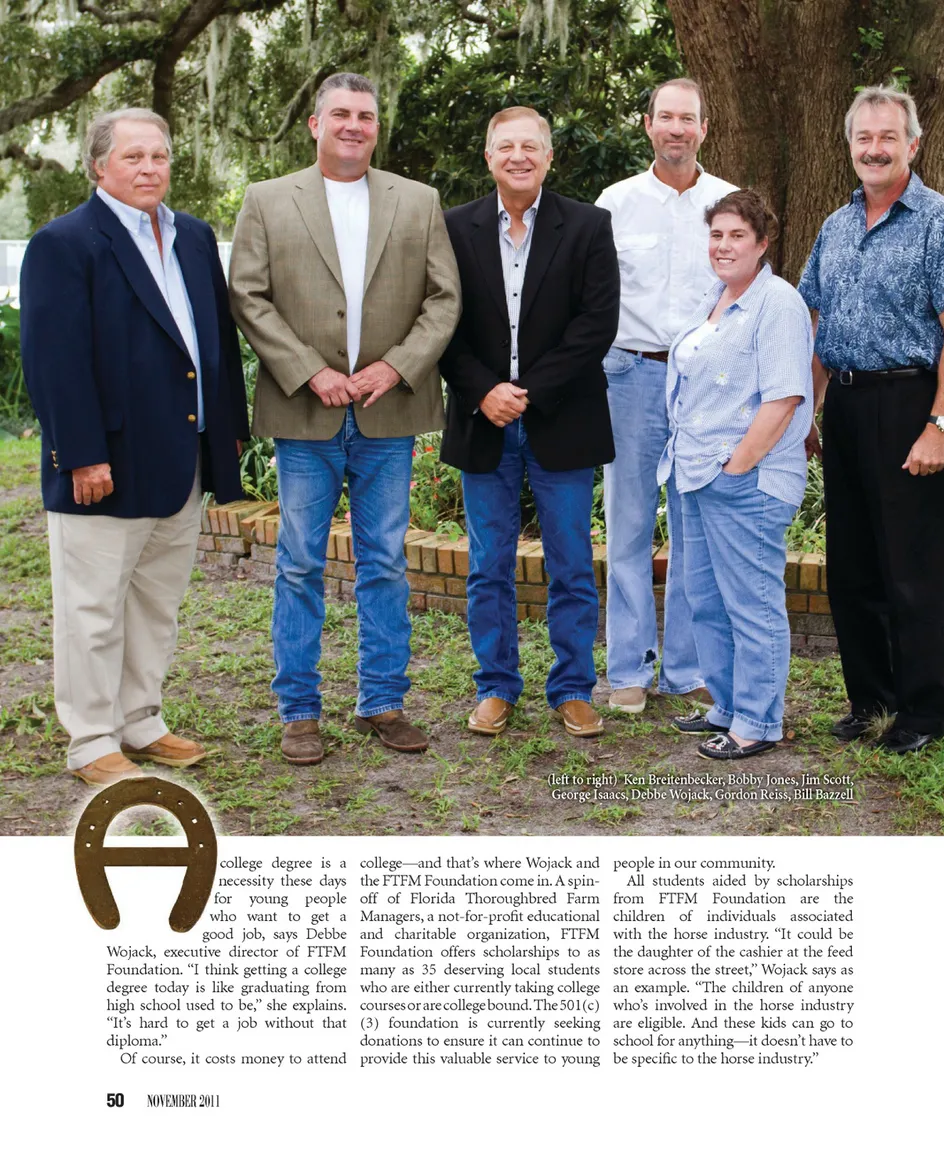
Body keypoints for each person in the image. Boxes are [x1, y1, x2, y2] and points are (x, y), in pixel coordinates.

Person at [229, 72, 461, 764]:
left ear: (376, 127)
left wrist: (397, 367)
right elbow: (248, 295)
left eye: (365, 115)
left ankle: (382, 701)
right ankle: (299, 712)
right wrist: (310, 371)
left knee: (385, 560)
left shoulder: (418, 201)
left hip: (389, 411)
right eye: (341, 114)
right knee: (300, 562)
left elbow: (444, 299)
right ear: (316, 123)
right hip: (306, 413)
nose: (354, 125)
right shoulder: (268, 200)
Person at [20, 108, 249, 786]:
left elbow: (216, 342)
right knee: (92, 610)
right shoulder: (64, 243)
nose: (150, 168)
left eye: (159, 156)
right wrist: (81, 454)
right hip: (106, 463)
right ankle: (91, 740)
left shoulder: (195, 237)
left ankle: (141, 721)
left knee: (155, 603)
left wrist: (226, 432)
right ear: (99, 166)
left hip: (183, 456)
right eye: (133, 157)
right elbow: (54, 360)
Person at [440, 107, 619, 738]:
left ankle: (572, 688)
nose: (518, 156)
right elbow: (439, 321)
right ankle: (495, 686)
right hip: (482, 418)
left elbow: (597, 323)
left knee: (571, 563)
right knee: (488, 565)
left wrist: (528, 392)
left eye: (530, 146)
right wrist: (483, 391)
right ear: (488, 156)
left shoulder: (589, 225)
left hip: (562, 417)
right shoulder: (452, 227)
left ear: (548, 156)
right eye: (506, 146)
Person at [798, 85, 944, 754]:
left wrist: (939, 425)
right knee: (854, 566)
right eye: (863, 137)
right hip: (846, 405)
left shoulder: (942, 222)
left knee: (912, 568)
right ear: (849, 146)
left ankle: (921, 713)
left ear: (912, 145)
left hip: (908, 404)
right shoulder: (835, 227)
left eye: (887, 137)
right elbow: (817, 324)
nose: (874, 148)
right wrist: (809, 412)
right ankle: (871, 701)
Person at [596, 78, 737, 714]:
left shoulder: (728, 201)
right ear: (648, 124)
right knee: (628, 524)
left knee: (693, 529)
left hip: (706, 384)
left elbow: (746, 292)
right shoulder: (616, 203)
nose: (677, 128)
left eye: (688, 118)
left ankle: (686, 669)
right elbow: (592, 293)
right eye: (666, 117)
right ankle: (628, 668)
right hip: (630, 374)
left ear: (704, 128)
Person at [658, 189, 812, 759]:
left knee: (752, 604)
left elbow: (785, 397)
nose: (723, 246)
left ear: (763, 243)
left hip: (746, 480)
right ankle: (725, 705)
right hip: (695, 473)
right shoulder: (717, 297)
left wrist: (737, 467)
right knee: (705, 598)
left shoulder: (778, 303)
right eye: (716, 234)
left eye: (737, 236)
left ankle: (758, 721)